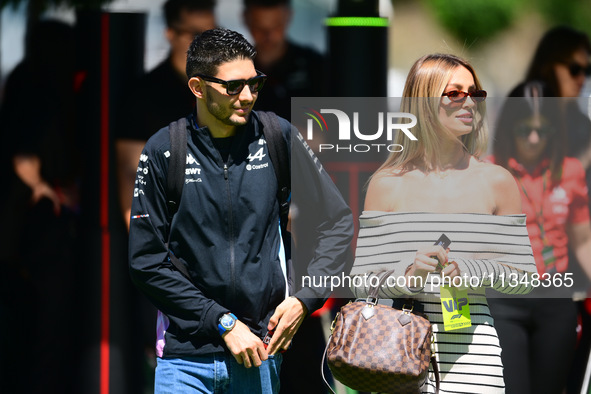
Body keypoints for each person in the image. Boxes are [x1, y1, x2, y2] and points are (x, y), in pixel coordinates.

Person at [128, 28, 353, 393]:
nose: (247, 96)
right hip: (185, 358)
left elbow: (337, 222)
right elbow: (147, 262)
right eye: (233, 87)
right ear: (198, 88)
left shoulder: (277, 135)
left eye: (255, 83)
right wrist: (222, 322)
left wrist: (305, 300)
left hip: (260, 354)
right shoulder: (163, 150)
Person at [348, 53, 538, 393]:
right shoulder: (387, 183)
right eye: (454, 93)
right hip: (395, 357)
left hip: (475, 361)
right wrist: (409, 274)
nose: (469, 102)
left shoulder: (497, 181)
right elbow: (361, 281)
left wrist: (470, 269)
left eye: (474, 93)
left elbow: (525, 277)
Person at [486, 82, 591, 394]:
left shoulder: (570, 172)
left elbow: (583, 240)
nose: (533, 139)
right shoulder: (489, 172)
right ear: (508, 128)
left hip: (555, 298)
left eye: (542, 130)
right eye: (524, 130)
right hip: (503, 299)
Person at [116, 0, 217, 229]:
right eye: (196, 35)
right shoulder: (144, 96)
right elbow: (131, 174)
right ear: (171, 34)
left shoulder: (230, 87)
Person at [242, 0, 326, 119]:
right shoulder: (234, 70)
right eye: (259, 27)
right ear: (245, 19)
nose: (268, 35)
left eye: (276, 26)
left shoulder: (316, 65)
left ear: (288, 17)